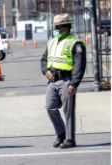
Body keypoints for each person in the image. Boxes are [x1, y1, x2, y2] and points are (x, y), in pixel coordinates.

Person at [40, 14, 86, 149]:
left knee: (68, 111)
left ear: (66, 27)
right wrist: (46, 70)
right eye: (55, 27)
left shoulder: (76, 43)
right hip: (53, 80)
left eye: (59, 27)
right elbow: (44, 59)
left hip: (67, 80)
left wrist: (74, 83)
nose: (56, 29)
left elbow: (80, 65)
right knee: (50, 107)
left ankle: (70, 139)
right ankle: (61, 133)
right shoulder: (52, 41)